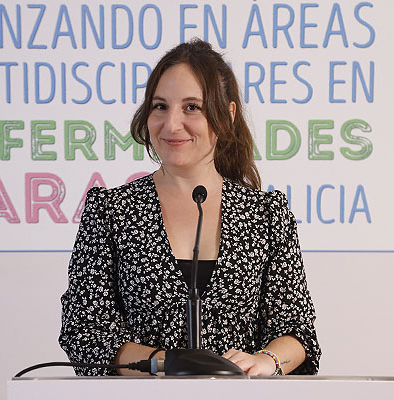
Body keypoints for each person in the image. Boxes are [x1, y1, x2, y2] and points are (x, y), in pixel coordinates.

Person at [59, 39, 321, 376]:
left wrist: (265, 362)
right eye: (160, 106)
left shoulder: (267, 215)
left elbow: (298, 333)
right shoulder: (110, 211)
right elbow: (85, 331)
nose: (171, 125)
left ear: (226, 115)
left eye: (191, 107)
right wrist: (166, 364)